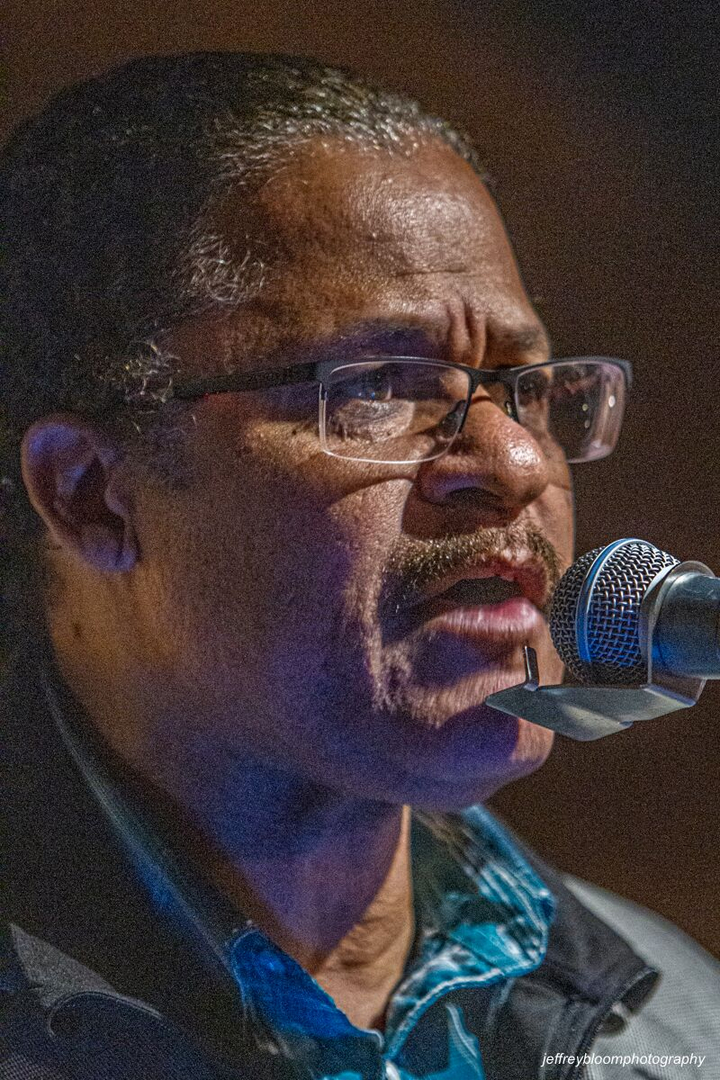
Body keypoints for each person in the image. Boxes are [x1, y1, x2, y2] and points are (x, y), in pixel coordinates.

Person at [1, 52, 717, 1080]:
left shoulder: (677, 1026)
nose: (518, 463)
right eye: (381, 384)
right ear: (90, 495)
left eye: (526, 388)